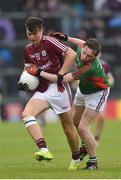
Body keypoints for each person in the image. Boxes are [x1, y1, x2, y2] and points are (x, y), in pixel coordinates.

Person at [34, 32, 111, 170]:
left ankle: (93, 162)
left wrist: (39, 73)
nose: (84, 56)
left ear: (95, 56)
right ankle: (85, 147)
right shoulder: (83, 47)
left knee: (83, 127)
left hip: (97, 93)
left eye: (89, 56)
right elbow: (81, 42)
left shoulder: (89, 67)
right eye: (84, 52)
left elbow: (63, 79)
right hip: (83, 90)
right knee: (75, 121)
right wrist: (66, 38)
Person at [17, 17, 80, 170]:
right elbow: (28, 68)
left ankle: (76, 158)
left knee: (68, 128)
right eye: (29, 34)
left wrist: (61, 74)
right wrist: (22, 81)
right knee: (27, 113)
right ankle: (43, 149)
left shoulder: (50, 41)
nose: (31, 37)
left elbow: (72, 54)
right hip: (43, 89)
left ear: (41, 31)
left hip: (58, 89)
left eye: (34, 34)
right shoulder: (28, 49)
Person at [94, 55, 115, 145]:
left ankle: (97, 137)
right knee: (87, 120)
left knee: (101, 118)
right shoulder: (86, 63)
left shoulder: (104, 65)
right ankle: (86, 140)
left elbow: (110, 77)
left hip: (101, 94)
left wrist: (109, 83)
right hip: (88, 93)